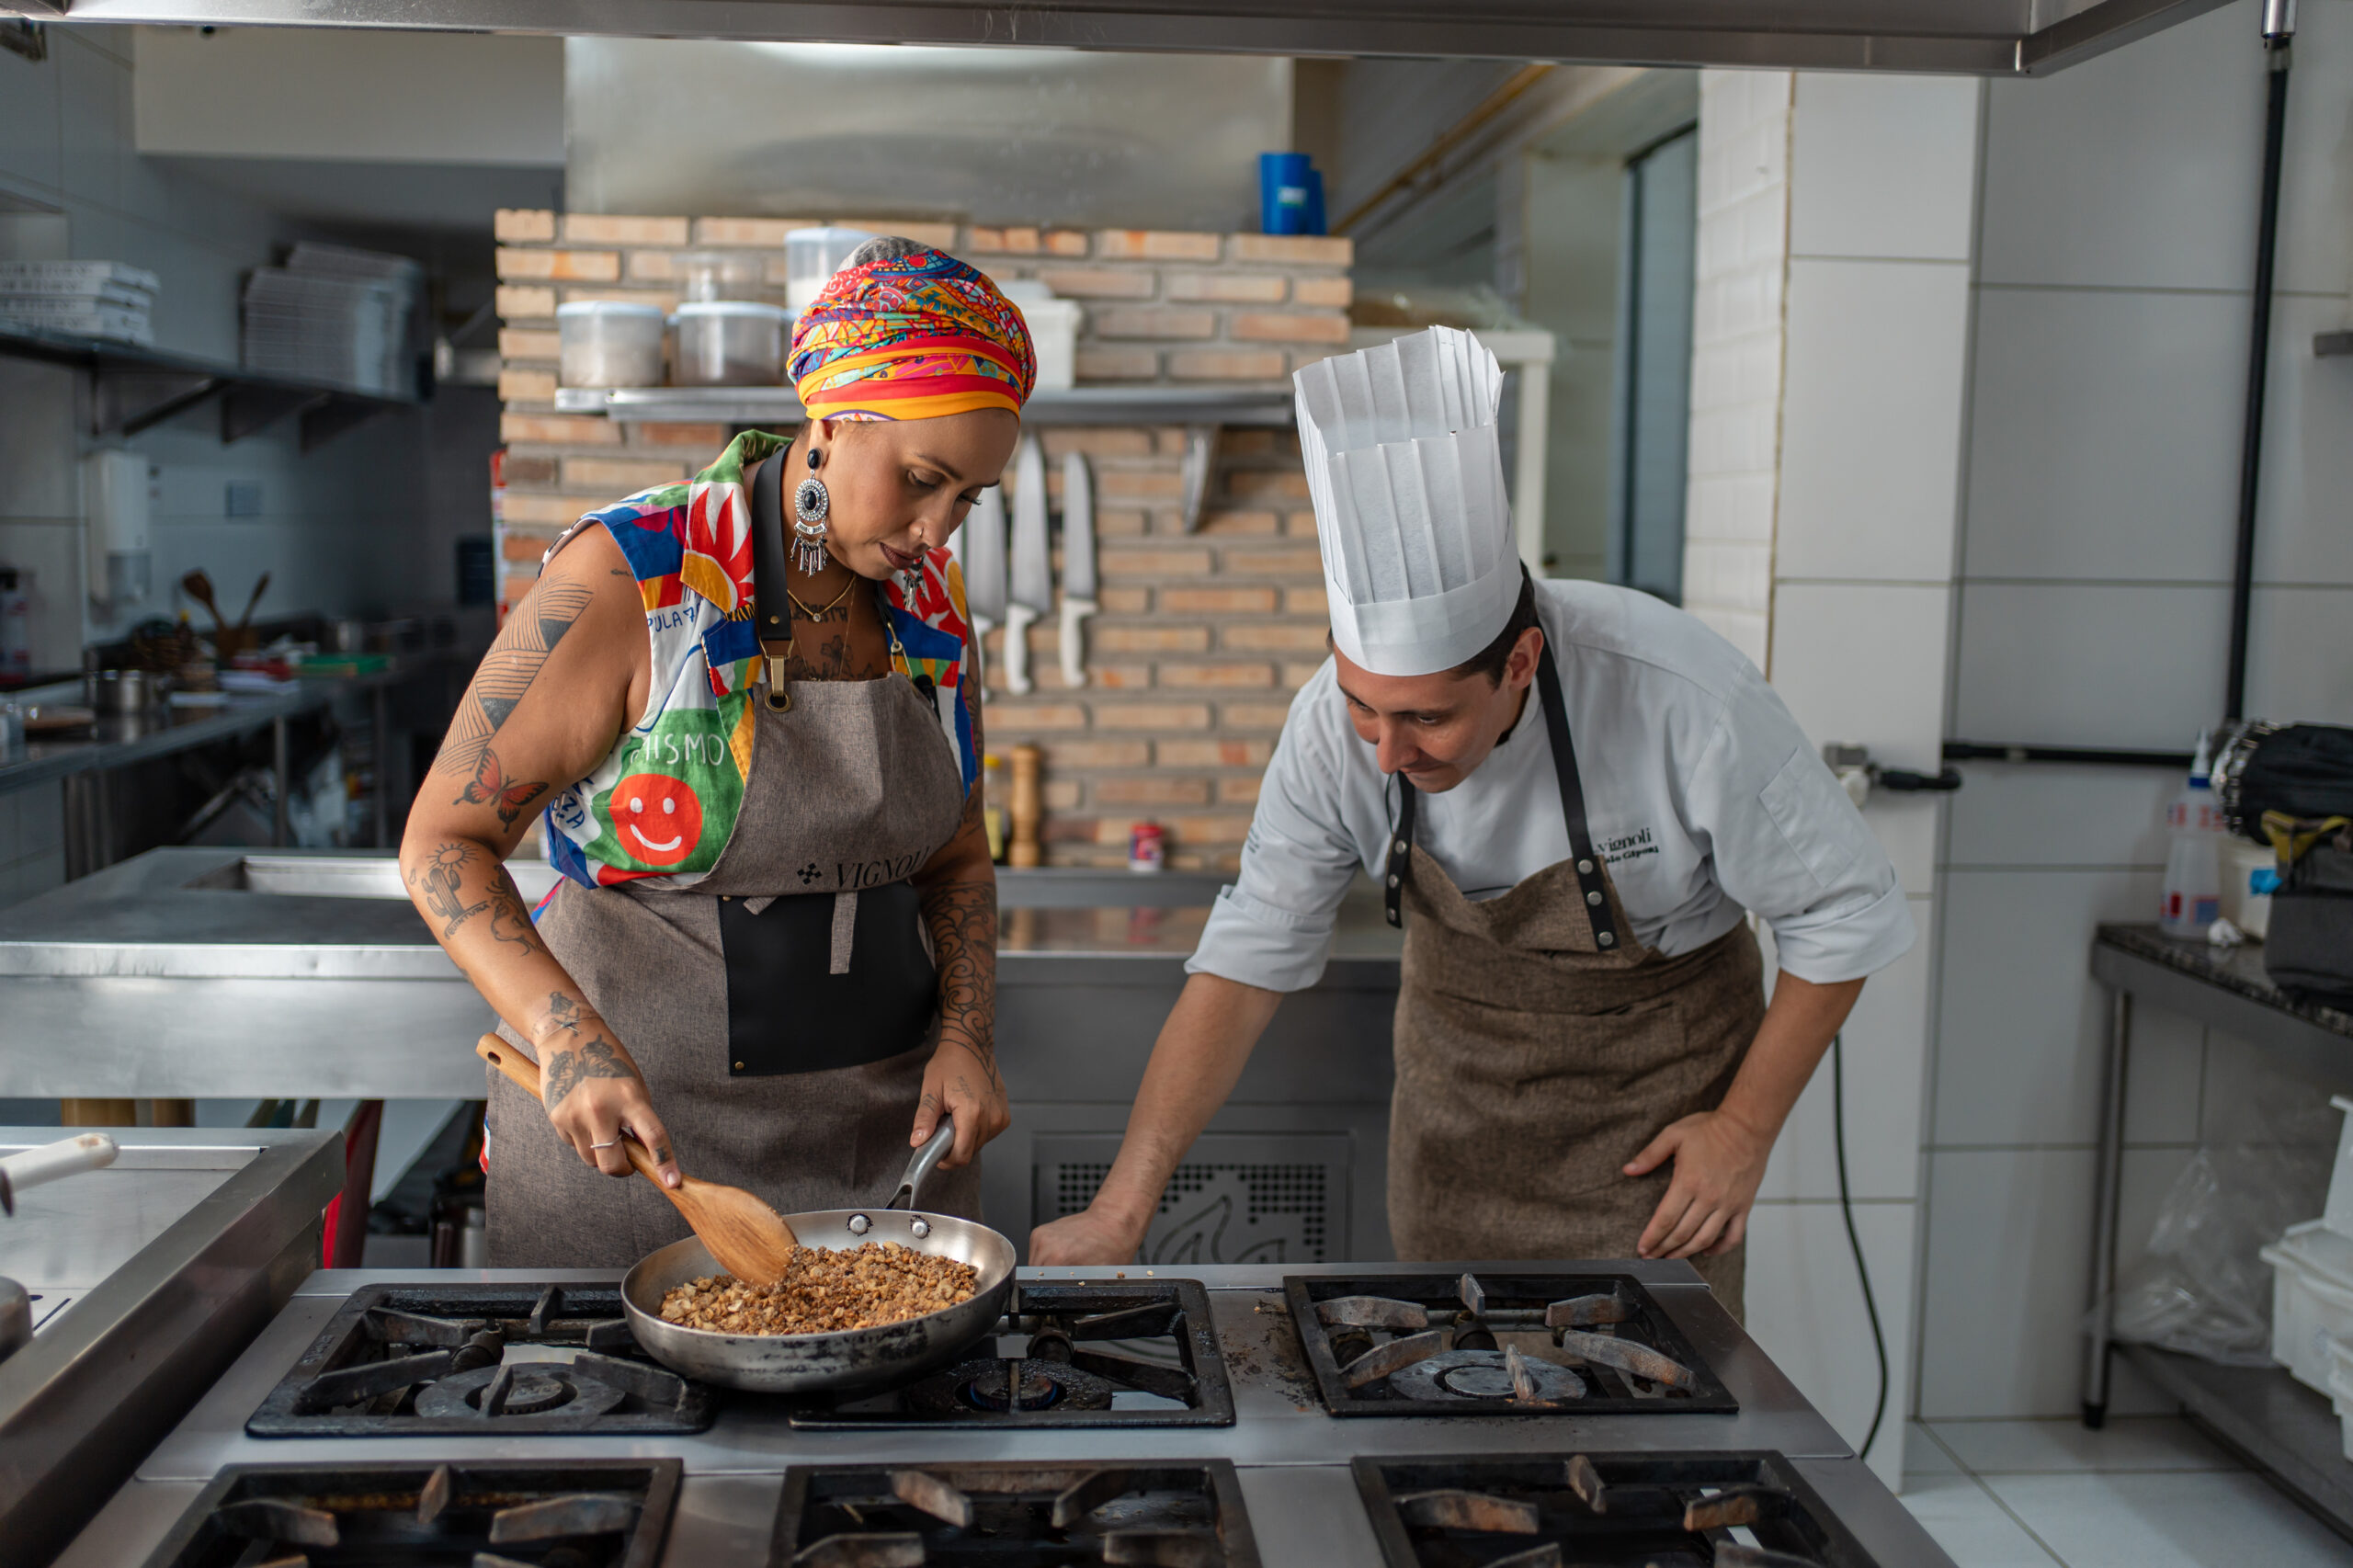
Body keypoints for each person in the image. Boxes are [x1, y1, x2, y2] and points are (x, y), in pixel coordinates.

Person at [1029, 327, 1914, 1316]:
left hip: (1654, 1138)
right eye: (1365, 704)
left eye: (1426, 717)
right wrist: (1121, 1207)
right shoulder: (1332, 724)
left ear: (1520, 663)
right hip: (1455, 1129)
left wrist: (1744, 1128)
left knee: (1645, 1415)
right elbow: (1245, 959)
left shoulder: (1676, 693)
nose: (1385, 752)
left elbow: (1843, 911)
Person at [402, 239, 1027, 1267]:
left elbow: (954, 858)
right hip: (648, 1163)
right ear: (831, 417)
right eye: (921, 480)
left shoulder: (932, 609)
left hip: (886, 1167)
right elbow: (443, 840)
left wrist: (968, 1034)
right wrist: (562, 1034)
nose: (937, 531)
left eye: (968, 498)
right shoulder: (633, 578)